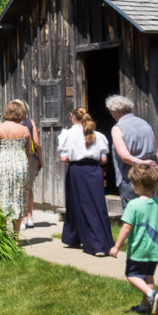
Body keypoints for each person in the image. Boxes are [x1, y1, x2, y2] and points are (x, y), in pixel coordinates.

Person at [109, 163, 158, 315]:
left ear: (139, 185)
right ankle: (145, 306)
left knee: (132, 275)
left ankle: (151, 294)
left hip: (139, 250)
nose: (130, 185)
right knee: (148, 276)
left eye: (132, 182)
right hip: (155, 249)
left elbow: (126, 228)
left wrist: (116, 246)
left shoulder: (133, 205)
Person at [58, 106, 112, 256]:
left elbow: (64, 159)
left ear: (74, 118)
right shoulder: (99, 135)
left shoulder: (67, 134)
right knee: (96, 204)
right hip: (95, 171)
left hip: (77, 170)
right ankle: (74, 237)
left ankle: (97, 245)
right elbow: (103, 159)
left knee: (80, 204)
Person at [107, 94, 158, 208]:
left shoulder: (117, 128)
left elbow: (124, 156)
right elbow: (156, 152)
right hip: (150, 175)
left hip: (131, 177)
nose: (111, 115)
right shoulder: (145, 124)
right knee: (150, 209)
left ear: (115, 111)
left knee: (133, 212)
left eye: (110, 112)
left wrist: (141, 163)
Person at [0, 100, 34, 233]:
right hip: (20, 164)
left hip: (4, 164)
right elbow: (30, 152)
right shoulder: (25, 130)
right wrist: (26, 165)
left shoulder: (0, 128)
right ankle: (16, 238)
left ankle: (3, 234)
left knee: (2, 196)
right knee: (18, 197)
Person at [13, 99, 43, 230]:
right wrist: (40, 159)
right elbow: (37, 143)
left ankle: (23, 219)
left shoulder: (11, 124)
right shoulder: (31, 123)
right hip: (31, 158)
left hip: (17, 158)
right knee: (29, 187)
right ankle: (30, 216)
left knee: (19, 189)